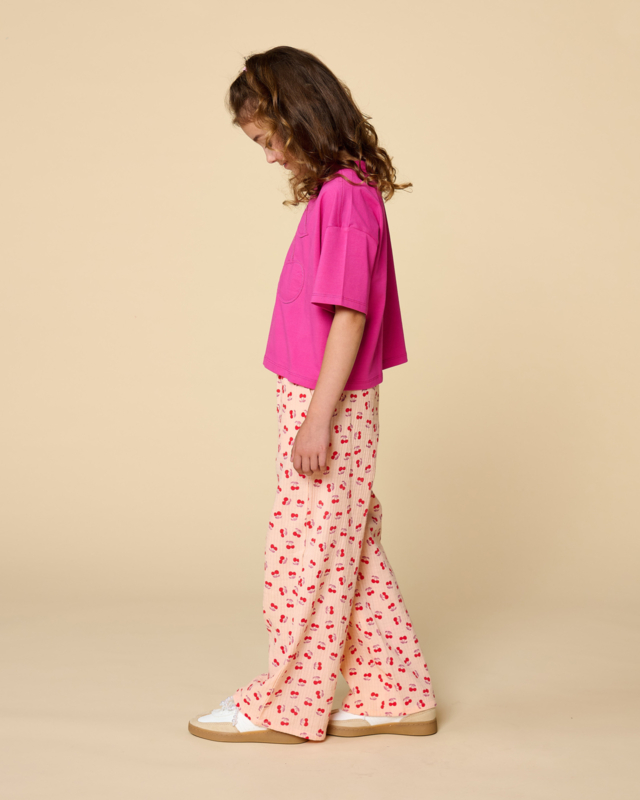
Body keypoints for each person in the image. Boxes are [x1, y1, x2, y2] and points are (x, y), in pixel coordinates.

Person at [188, 45, 437, 745]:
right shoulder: (342, 195)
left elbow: (350, 316)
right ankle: (398, 693)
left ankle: (286, 705)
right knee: (347, 548)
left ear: (301, 117)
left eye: (269, 140)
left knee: (302, 559)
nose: (270, 157)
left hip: (326, 404)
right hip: (318, 400)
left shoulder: (346, 200)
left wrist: (318, 418)